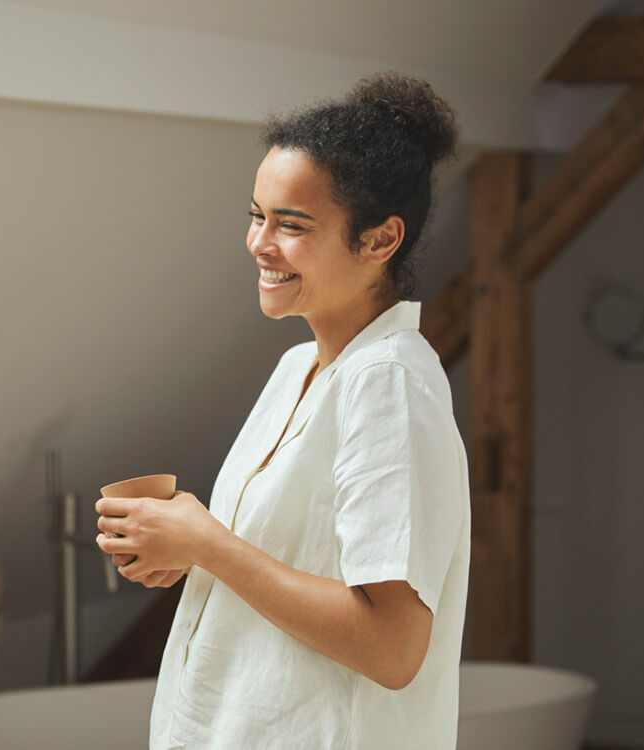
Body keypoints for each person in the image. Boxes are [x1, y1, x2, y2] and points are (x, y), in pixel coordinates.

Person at [94, 71, 471, 749]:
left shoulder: (388, 383)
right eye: (256, 214)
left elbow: (392, 648)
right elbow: (285, 562)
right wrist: (187, 554)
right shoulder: (298, 366)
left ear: (381, 240)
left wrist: (208, 542)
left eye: (291, 225)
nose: (259, 243)